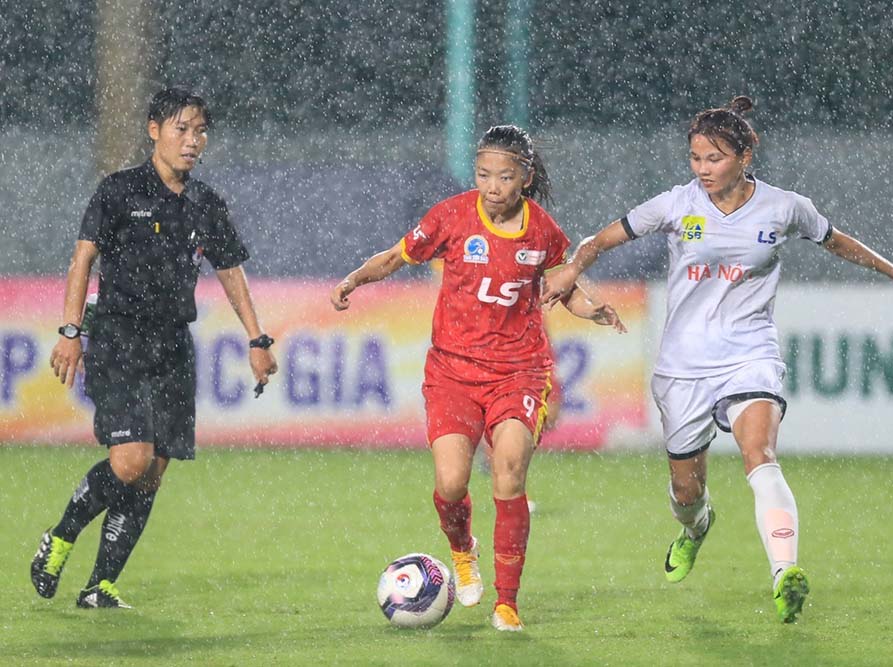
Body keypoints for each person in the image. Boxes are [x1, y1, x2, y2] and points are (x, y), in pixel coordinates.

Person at [541, 96, 893, 623]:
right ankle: (695, 526)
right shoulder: (675, 204)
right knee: (687, 490)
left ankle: (785, 573)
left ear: (745, 156)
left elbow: (837, 242)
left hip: (750, 352)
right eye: (695, 158)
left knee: (760, 454)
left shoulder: (785, 207)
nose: (702, 169)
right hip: (682, 364)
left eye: (714, 158)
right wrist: (573, 267)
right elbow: (599, 240)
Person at [331, 125, 625, 632]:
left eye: (505, 176)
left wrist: (591, 310)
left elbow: (563, 286)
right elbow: (397, 256)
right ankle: (462, 550)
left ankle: (507, 602)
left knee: (510, 472)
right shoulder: (451, 215)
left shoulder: (543, 231)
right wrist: (355, 278)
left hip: (519, 371)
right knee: (450, 483)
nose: (492, 187)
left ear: (525, 179)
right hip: (452, 372)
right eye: (484, 174)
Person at [33, 86, 278, 609]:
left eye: (200, 131)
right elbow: (83, 262)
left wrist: (257, 338)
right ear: (154, 131)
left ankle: (100, 585)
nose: (193, 141)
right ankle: (59, 537)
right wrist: (70, 332)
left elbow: (230, 270)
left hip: (172, 346)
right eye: (181, 129)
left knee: (152, 473)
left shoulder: (205, 202)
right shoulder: (119, 191)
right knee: (129, 461)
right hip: (119, 338)